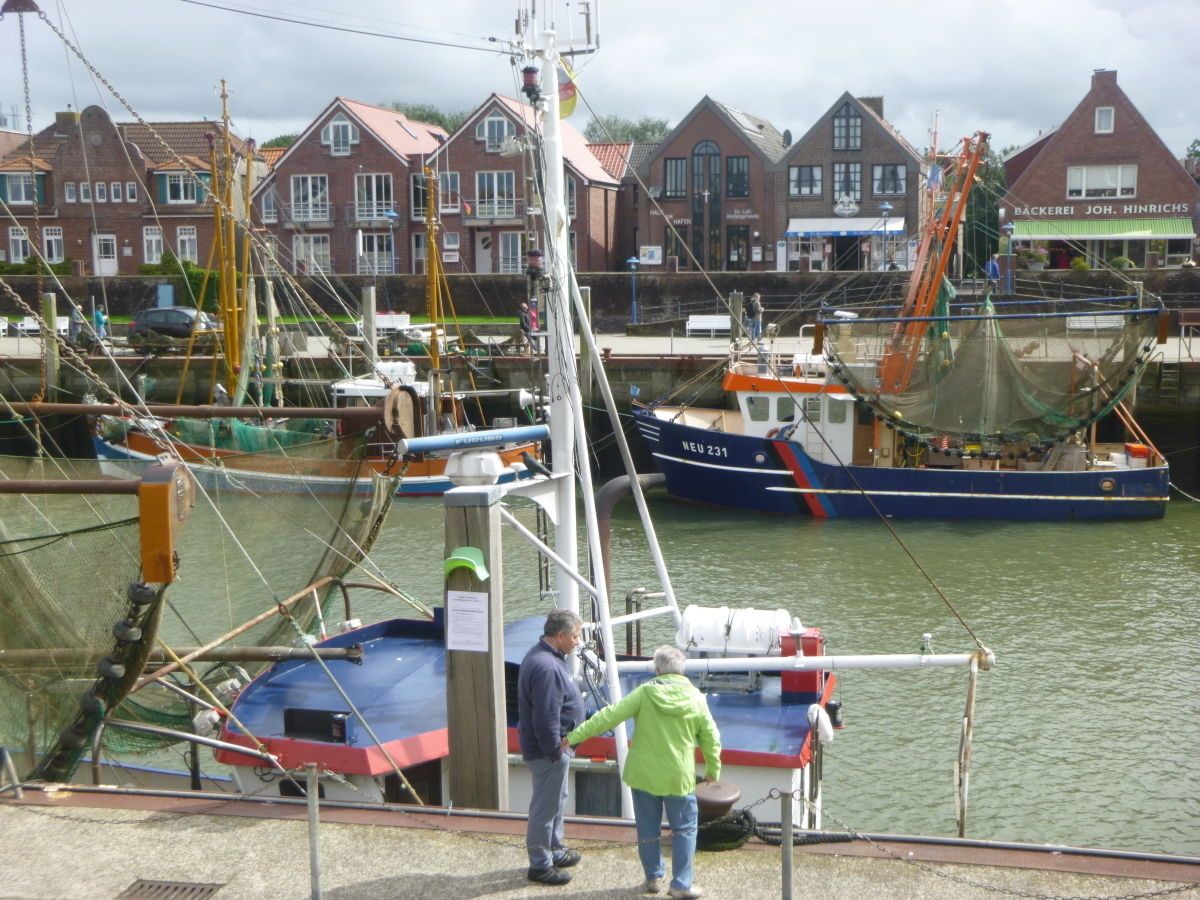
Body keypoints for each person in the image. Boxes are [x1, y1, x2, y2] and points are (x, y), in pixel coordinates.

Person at [565, 645, 721, 899]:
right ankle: (681, 884)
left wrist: (574, 736)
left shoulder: (645, 692)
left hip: (644, 774)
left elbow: (609, 716)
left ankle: (653, 877)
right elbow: (711, 739)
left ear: (657, 670)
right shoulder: (696, 698)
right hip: (678, 776)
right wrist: (713, 769)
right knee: (685, 829)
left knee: (648, 828)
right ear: (682, 670)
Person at [518, 609, 585, 886]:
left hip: (555, 751)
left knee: (557, 801)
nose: (578, 642)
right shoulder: (547, 667)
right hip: (549, 753)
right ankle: (540, 865)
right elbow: (546, 717)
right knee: (545, 810)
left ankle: (555, 849)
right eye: (575, 636)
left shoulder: (548, 658)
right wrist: (555, 752)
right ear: (560, 636)